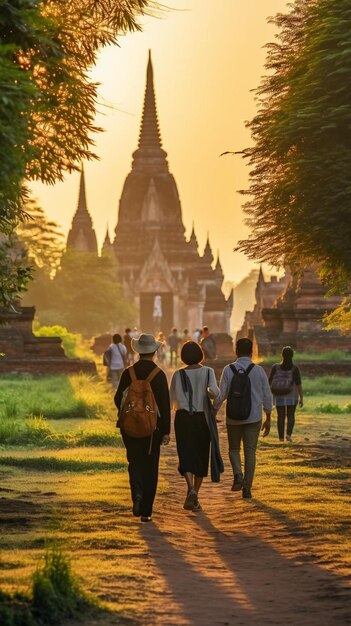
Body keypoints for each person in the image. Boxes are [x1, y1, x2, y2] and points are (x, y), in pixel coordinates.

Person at [115, 333, 170, 522]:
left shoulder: (128, 373)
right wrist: (166, 431)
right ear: (154, 351)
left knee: (135, 462)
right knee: (151, 466)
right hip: (153, 430)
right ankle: (146, 511)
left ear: (138, 351)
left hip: (130, 428)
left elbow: (117, 399)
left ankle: (137, 493)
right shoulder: (159, 375)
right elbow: (165, 405)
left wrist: (130, 415)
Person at [214, 337, 272, 499]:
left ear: (236, 351)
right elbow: (267, 396)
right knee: (250, 452)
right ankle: (247, 488)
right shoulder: (259, 370)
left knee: (233, 449)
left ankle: (238, 474)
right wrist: (268, 417)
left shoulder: (228, 369)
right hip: (254, 417)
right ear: (252, 351)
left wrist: (213, 411)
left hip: (233, 417)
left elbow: (221, 394)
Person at [170, 341, 220, 512]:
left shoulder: (177, 374)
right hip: (201, 418)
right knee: (200, 455)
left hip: (183, 418)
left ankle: (190, 488)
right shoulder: (208, 372)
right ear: (200, 354)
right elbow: (215, 393)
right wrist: (205, 391)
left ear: (183, 356)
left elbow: (171, 401)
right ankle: (194, 493)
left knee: (185, 454)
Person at [268, 346, 303, 443]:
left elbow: (269, 381)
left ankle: (281, 438)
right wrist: (301, 397)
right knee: (291, 415)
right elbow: (298, 384)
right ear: (292, 355)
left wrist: (267, 394)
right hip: (292, 395)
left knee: (281, 416)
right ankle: (288, 435)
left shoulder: (275, 367)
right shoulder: (294, 368)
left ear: (281, 355)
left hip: (278, 394)